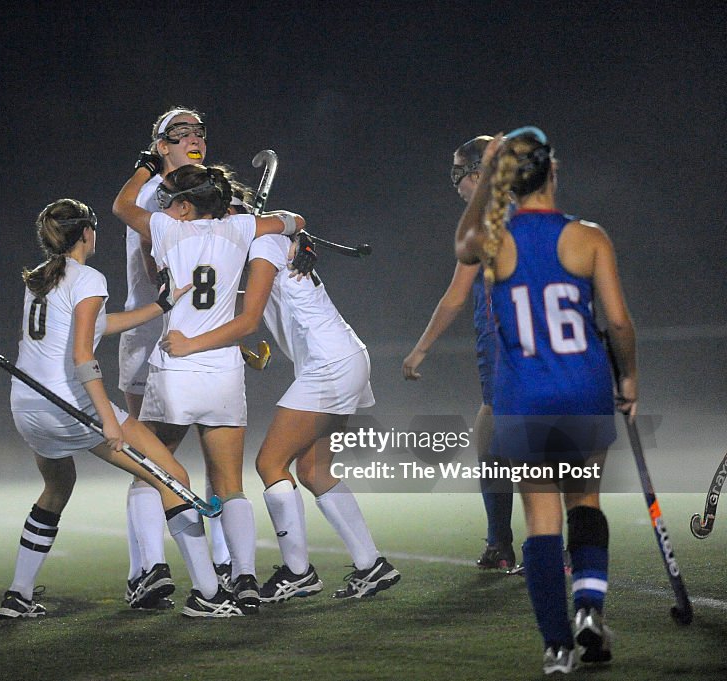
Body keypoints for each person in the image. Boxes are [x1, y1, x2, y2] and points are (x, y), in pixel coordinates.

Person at [0, 198, 242, 619]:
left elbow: (99, 325)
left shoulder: (39, 277)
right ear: (87, 233)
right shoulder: (88, 277)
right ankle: (209, 594)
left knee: (57, 488)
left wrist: (162, 306)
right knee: (174, 477)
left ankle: (17, 596)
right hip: (70, 405)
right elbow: (82, 356)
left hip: (27, 405)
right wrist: (108, 420)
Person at [455, 128, 636, 674]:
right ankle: (588, 607)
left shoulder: (497, 237)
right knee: (585, 502)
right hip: (583, 386)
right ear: (554, 170)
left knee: (540, 519)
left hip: (525, 392)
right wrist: (628, 379)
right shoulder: (589, 237)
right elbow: (620, 323)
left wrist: (487, 174)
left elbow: (462, 245)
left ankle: (556, 646)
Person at [162, 192, 400, 603]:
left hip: (329, 363)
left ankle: (298, 571)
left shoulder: (260, 244)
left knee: (270, 463)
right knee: (313, 470)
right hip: (342, 356)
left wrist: (192, 343)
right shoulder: (260, 244)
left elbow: (248, 316)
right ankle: (371, 565)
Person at [113, 162, 305, 612]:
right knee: (230, 485)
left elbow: (122, 206)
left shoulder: (166, 228)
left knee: (153, 471)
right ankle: (246, 579)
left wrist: (144, 169)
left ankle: (165, 573)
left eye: (171, 200)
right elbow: (294, 220)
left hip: (176, 369)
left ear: (183, 206)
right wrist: (290, 228)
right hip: (223, 373)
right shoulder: (241, 228)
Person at [117, 107, 235, 609]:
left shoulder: (206, 193)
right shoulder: (153, 197)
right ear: (159, 145)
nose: (194, 138)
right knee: (151, 460)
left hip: (196, 340)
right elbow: (154, 259)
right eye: (179, 132)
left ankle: (227, 562)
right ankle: (146, 568)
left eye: (199, 131)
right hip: (150, 338)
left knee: (217, 455)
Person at [402, 135, 521, 572]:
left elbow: (456, 296)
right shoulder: (533, 210)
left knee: (512, 444)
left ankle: (528, 547)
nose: (455, 182)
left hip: (509, 341)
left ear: (477, 172)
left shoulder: (489, 221)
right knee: (497, 439)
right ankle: (505, 543)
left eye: (459, 171)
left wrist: (420, 349)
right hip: (529, 343)